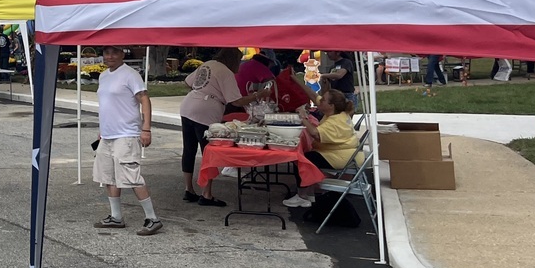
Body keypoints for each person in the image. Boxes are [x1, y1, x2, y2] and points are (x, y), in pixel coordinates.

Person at [178, 48, 271, 206]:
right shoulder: (226, 72)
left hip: (187, 106)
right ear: (233, 60)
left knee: (189, 149)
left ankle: (189, 189)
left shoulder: (208, 64)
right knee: (209, 152)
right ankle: (206, 194)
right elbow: (236, 101)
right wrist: (259, 95)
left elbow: (188, 81)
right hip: (205, 112)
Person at [93, 44, 161, 235]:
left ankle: (152, 218)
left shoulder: (130, 74)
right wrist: (102, 130)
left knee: (131, 176)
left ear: (122, 54)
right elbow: (107, 104)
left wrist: (146, 128)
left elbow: (144, 99)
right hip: (107, 134)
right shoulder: (104, 76)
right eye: (106, 52)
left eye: (115, 52)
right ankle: (116, 217)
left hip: (126, 134)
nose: (110, 56)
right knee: (108, 176)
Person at [283, 89, 360, 208]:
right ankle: (309, 193)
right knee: (307, 155)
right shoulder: (338, 113)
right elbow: (315, 96)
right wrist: (295, 80)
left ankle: (302, 196)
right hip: (346, 153)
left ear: (331, 106)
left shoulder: (335, 122)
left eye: (323, 100)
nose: (320, 101)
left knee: (303, 159)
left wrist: (303, 117)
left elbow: (315, 134)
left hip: (343, 157)